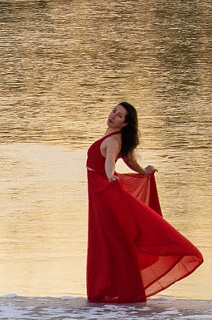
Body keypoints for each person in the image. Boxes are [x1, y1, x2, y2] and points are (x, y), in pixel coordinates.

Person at [85, 101, 203, 303]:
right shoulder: (115, 138)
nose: (113, 115)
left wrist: (110, 175)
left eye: (119, 115)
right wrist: (142, 171)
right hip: (101, 192)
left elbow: (110, 161)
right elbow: (129, 160)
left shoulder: (113, 141)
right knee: (114, 241)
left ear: (125, 124)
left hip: (103, 193)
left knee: (110, 242)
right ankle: (118, 289)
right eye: (114, 111)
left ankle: (115, 290)